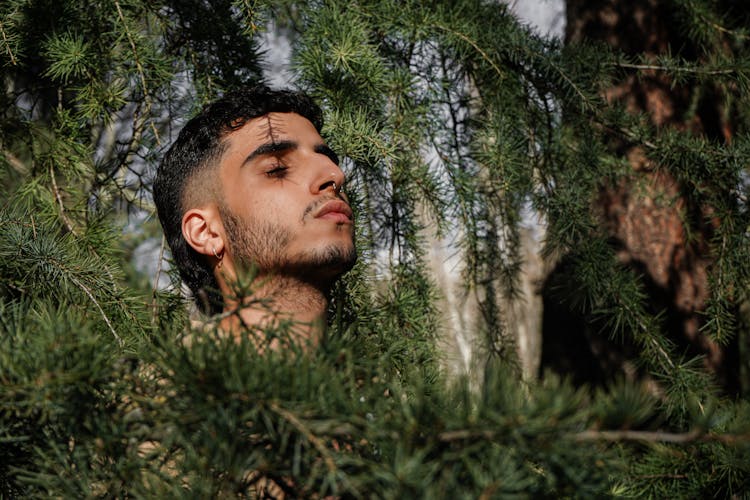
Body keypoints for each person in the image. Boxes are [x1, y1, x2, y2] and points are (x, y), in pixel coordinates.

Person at [154, 86, 356, 346]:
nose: (335, 175)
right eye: (278, 169)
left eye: (329, 160)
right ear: (206, 232)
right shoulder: (162, 385)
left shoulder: (373, 386)